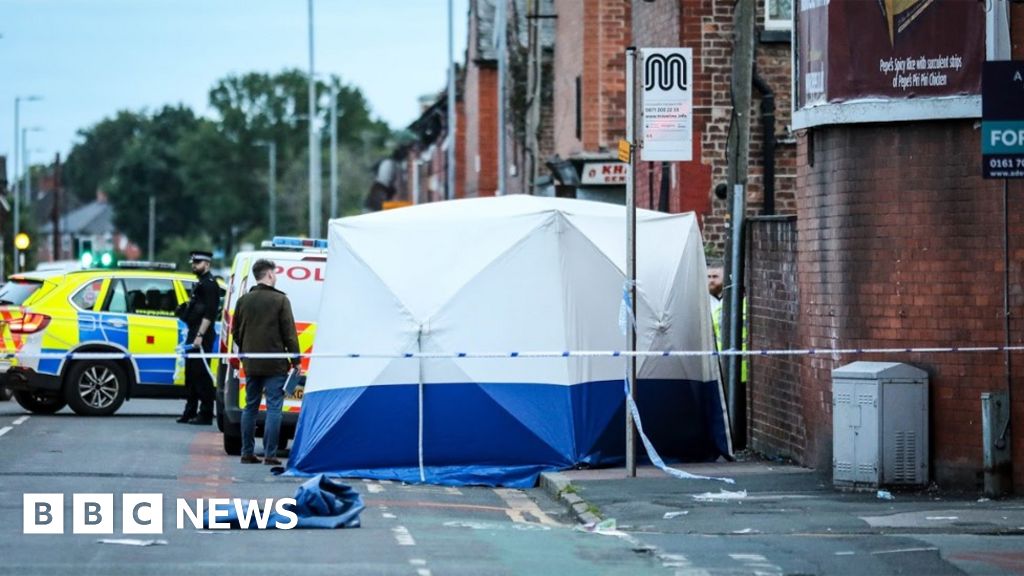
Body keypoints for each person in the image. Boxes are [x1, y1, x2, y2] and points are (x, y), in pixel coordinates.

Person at [232, 258, 300, 465]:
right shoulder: (280, 300)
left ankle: (247, 452)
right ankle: (270, 454)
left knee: (250, 407)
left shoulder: (243, 300)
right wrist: (296, 359)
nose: (276, 276)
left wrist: (247, 350)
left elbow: (236, 331)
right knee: (273, 408)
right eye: (275, 273)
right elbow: (289, 333)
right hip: (275, 365)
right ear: (269, 275)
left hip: (251, 363)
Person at [177, 250, 220, 425]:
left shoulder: (210, 284)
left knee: (201, 375)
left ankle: (206, 414)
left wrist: (200, 335)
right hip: (194, 332)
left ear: (207, 264)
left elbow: (209, 313)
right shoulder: (201, 283)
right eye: (193, 262)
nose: (194, 265)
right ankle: (190, 411)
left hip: (202, 335)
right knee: (191, 374)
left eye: (198, 262)